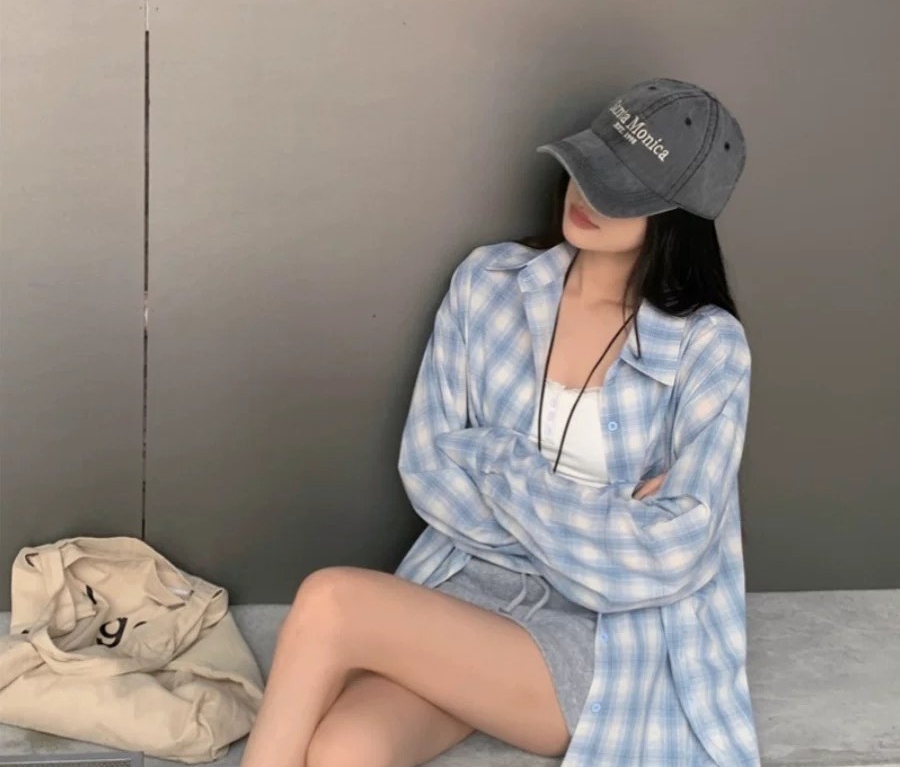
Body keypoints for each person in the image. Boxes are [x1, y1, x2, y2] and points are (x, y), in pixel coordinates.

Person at [240, 77, 761, 767]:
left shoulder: (709, 347)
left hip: (605, 633)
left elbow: (672, 554)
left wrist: (493, 459)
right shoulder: (487, 285)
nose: (586, 195)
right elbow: (429, 470)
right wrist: (604, 516)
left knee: (331, 601)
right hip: (470, 586)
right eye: (588, 167)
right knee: (345, 750)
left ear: (676, 218)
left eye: (620, 190)